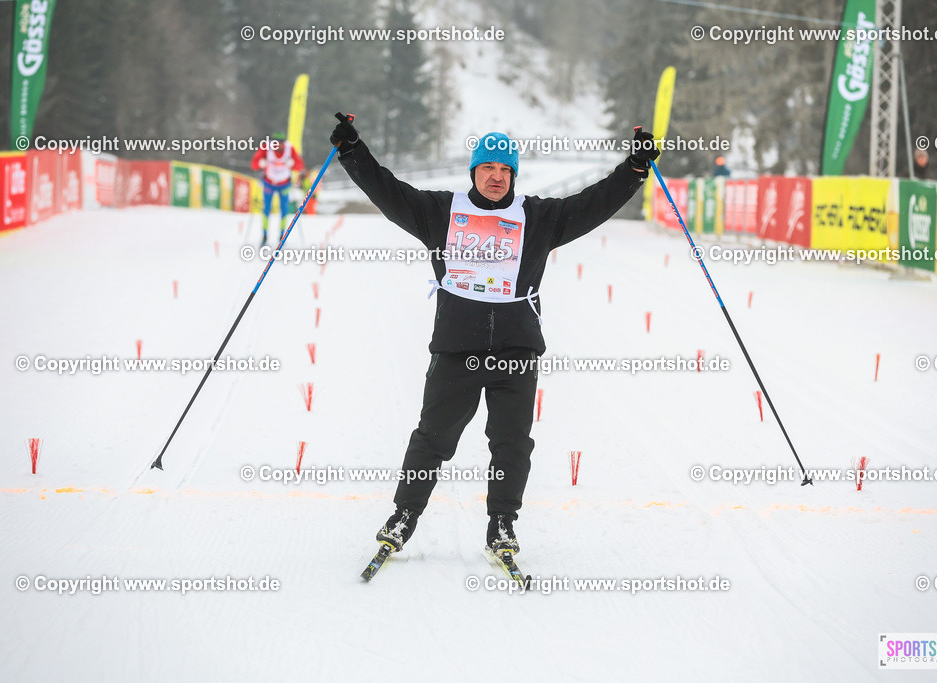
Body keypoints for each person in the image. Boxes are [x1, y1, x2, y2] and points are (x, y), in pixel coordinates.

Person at [331, 113, 658, 556]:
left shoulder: (538, 218)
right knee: (433, 438)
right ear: (474, 171)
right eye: (489, 168)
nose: (497, 177)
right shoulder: (441, 212)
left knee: (511, 444)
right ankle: (404, 514)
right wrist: (353, 152)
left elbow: (591, 204)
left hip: (516, 350)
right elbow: (389, 192)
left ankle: (501, 523)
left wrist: (634, 170)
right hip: (456, 350)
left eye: (506, 170)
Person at [250, 131, 305, 246]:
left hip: (284, 184)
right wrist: (260, 163)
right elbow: (254, 164)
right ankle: (264, 235)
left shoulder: (290, 149)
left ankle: (282, 235)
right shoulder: (265, 147)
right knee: (266, 209)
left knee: (284, 209)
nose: (278, 145)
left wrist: (293, 164)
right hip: (269, 183)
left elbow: (300, 166)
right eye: (275, 143)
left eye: (280, 143)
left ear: (284, 143)